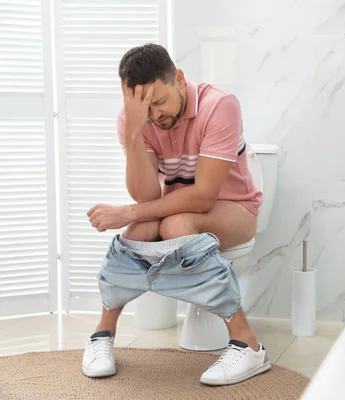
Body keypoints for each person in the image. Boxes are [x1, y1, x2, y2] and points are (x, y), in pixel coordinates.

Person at [80, 43, 270, 386]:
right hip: (178, 213)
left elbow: (202, 198)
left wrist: (125, 212)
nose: (155, 114)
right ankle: (102, 334)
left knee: (175, 224)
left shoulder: (219, 106)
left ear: (179, 79)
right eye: (143, 107)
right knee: (139, 229)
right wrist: (134, 133)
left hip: (236, 208)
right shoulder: (135, 120)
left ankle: (248, 344)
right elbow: (147, 195)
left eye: (158, 102)